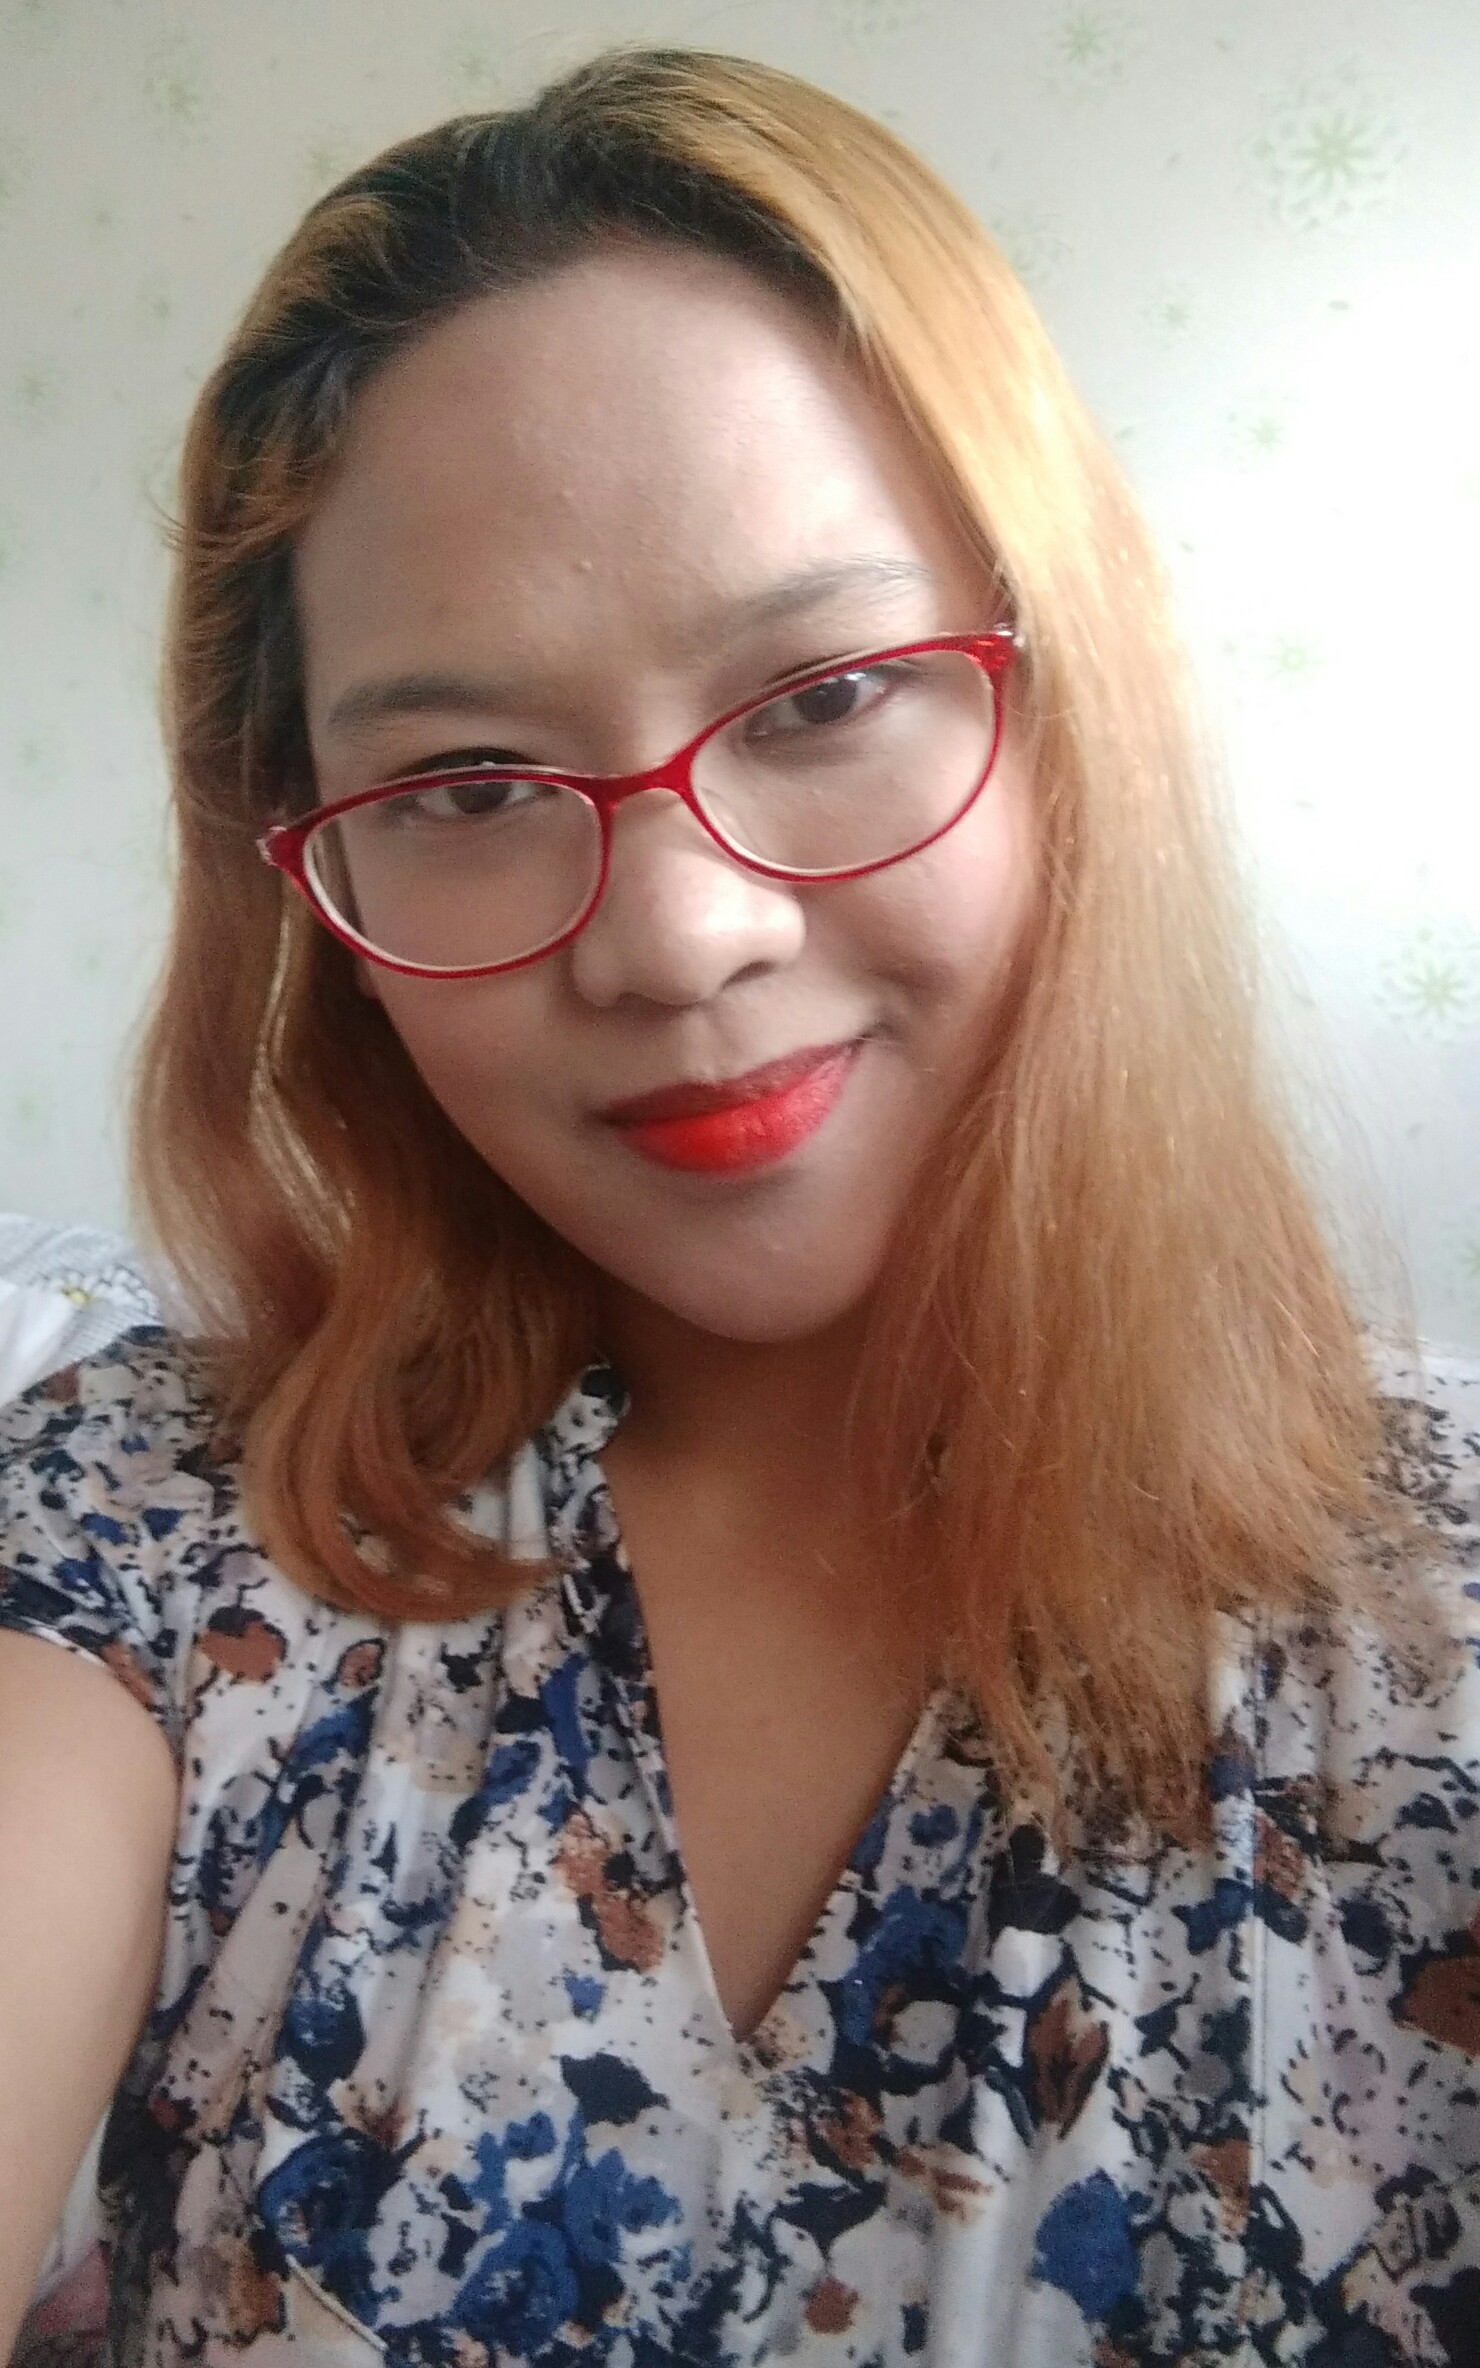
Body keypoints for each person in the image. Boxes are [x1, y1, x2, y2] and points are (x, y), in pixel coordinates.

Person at [1, 45, 1476, 2368]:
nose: (677, 937)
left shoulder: (1434, 1608)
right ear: (308, 879)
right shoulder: (152, 1538)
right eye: (465, 782)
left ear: (1061, 706)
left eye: (828, 694)